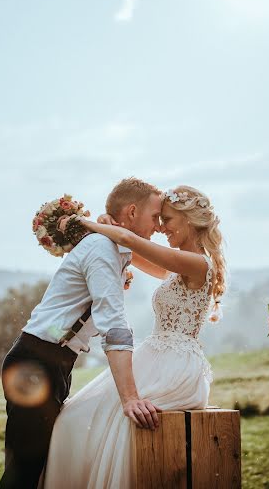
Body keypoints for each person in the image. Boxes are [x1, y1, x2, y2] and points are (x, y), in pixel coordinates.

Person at [41, 185, 226, 489]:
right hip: (157, 356)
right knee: (75, 417)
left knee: (107, 420)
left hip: (176, 365)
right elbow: (131, 249)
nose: (161, 227)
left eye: (167, 220)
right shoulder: (178, 267)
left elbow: (129, 240)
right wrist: (109, 227)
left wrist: (82, 222)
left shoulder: (198, 263)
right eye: (159, 219)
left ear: (189, 220)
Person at [0, 178, 163, 489]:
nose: (158, 225)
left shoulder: (113, 247)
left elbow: (162, 267)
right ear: (131, 211)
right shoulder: (101, 248)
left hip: (54, 359)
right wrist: (130, 398)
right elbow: (113, 322)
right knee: (23, 473)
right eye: (155, 216)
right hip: (36, 363)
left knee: (36, 469)